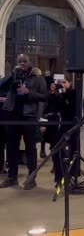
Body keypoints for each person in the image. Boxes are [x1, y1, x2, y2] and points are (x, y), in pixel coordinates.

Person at [0, 54, 48, 190]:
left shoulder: (38, 78)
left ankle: (31, 179)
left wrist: (28, 92)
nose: (22, 63)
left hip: (29, 117)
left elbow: (44, 97)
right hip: (12, 116)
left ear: (30, 62)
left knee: (30, 149)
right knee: (11, 148)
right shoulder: (14, 75)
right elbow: (1, 86)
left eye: (24, 61)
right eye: (20, 61)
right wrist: (11, 74)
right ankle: (12, 177)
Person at [50, 75, 77, 186]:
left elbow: (71, 108)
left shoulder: (74, 93)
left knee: (68, 152)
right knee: (55, 150)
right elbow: (53, 107)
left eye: (64, 82)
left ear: (70, 82)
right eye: (60, 82)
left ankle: (68, 176)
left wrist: (65, 92)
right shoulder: (59, 94)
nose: (62, 84)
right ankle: (58, 176)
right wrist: (53, 93)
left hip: (70, 127)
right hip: (59, 127)